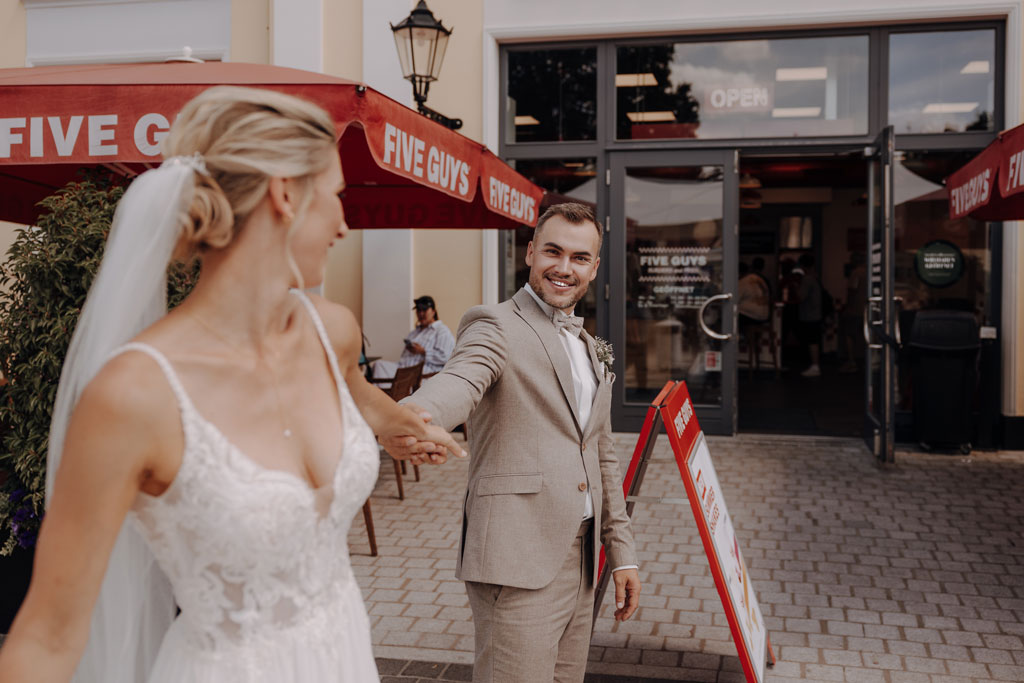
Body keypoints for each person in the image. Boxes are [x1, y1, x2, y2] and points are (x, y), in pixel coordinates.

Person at [0, 86, 463, 683]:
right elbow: (47, 637)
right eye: (336, 198)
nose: (344, 225)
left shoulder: (332, 331)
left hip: (344, 654)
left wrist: (398, 426)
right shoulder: (135, 395)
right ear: (285, 193)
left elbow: (355, 396)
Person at [384, 202, 641, 683]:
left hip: (581, 557)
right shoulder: (494, 323)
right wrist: (417, 418)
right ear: (530, 253)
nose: (564, 268)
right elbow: (460, 379)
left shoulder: (590, 344)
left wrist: (620, 550)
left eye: (580, 258)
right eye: (553, 252)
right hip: (517, 557)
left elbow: (601, 451)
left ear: (595, 267)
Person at [371, 295, 455, 382]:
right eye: (418, 310)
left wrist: (423, 351)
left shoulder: (442, 331)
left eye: (424, 310)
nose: (421, 313)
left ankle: (392, 393)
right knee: (378, 365)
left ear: (433, 311)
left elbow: (445, 357)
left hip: (422, 374)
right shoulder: (414, 333)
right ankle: (386, 394)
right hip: (403, 368)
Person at [797, 253, 823, 377]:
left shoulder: (807, 279)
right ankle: (815, 365)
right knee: (814, 340)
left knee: (812, 340)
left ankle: (814, 365)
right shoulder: (815, 277)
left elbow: (801, 296)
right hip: (816, 313)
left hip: (810, 314)